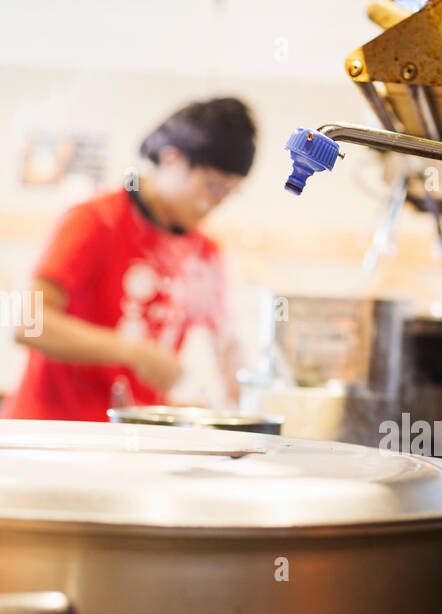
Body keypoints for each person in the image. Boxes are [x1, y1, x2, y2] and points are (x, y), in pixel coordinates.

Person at [3, 96, 256, 421]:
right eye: (212, 187)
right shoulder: (94, 221)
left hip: (131, 435)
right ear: (173, 158)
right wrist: (132, 351)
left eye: (230, 193)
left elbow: (227, 345)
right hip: (55, 433)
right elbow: (27, 323)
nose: (216, 203)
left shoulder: (205, 252)